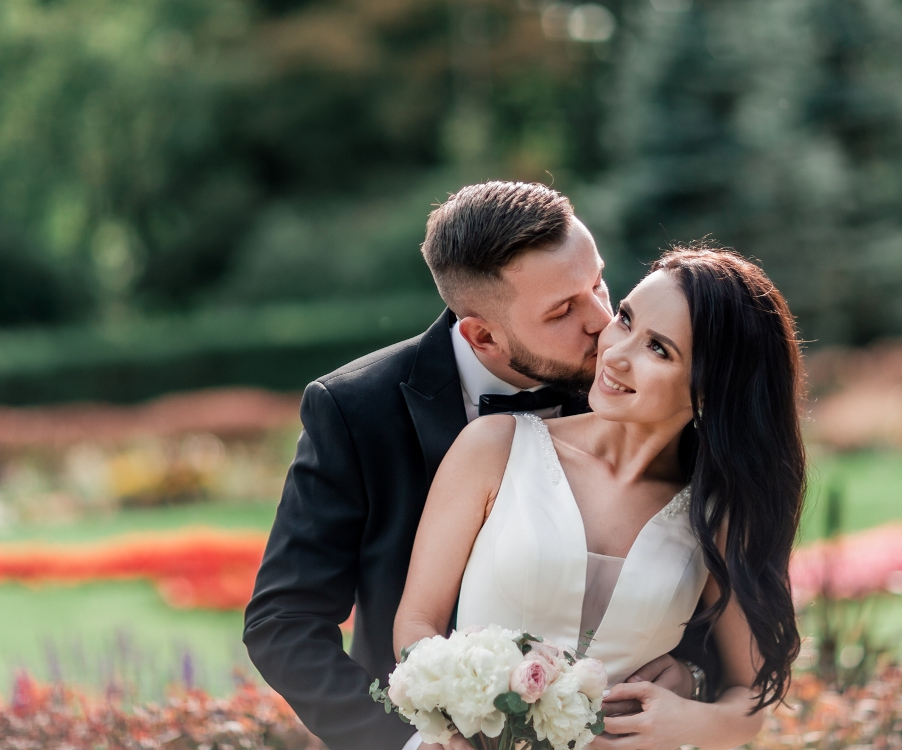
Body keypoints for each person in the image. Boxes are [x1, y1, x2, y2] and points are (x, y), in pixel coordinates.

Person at [243, 183, 721, 750]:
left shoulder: (636, 392)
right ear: (483, 335)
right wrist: (407, 743)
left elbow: (696, 570)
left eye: (597, 283)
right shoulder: (356, 410)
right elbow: (284, 622)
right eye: (562, 310)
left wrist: (692, 676)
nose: (602, 323)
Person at [394, 245, 807, 750]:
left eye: (659, 349)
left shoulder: (717, 512)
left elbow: (753, 693)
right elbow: (418, 622)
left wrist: (688, 719)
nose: (615, 353)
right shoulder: (495, 447)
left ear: (708, 392)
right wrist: (448, 724)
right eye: (626, 319)